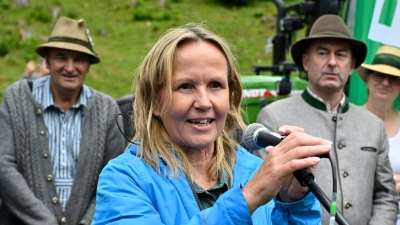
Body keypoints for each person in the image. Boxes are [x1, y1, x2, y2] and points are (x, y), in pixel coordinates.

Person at [91, 23, 332, 225]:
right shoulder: (124, 178)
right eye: (185, 86)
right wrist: (247, 199)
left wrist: (293, 204)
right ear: (155, 101)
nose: (204, 102)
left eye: (215, 85)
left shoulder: (254, 170)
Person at [253, 14, 399, 224]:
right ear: (305, 61)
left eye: (340, 55)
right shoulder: (274, 117)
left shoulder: (373, 125)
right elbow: (262, 195)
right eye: (322, 53)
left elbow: (386, 195)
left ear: (351, 65)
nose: (332, 62)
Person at [0, 16, 125, 225]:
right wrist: (43, 220)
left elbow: (114, 177)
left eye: (79, 59)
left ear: (88, 65)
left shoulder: (106, 109)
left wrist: (87, 222)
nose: (70, 67)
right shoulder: (17, 98)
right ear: (47, 61)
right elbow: (3, 165)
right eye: (61, 57)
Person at [356, 45, 400, 225]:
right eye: (379, 75)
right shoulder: (347, 121)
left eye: (394, 78)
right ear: (367, 78)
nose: (385, 83)